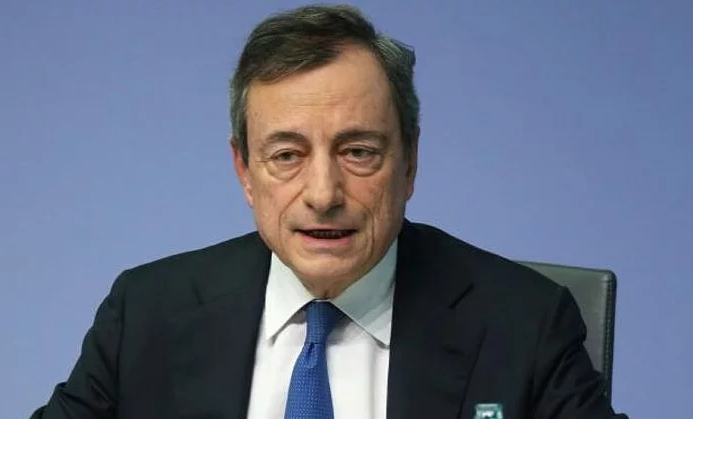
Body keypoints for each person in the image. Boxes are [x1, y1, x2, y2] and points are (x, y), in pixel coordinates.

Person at [31, 3, 626, 419]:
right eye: (287, 155)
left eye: (358, 151)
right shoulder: (146, 313)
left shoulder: (524, 323)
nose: (323, 194)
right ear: (244, 172)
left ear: (410, 162)